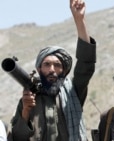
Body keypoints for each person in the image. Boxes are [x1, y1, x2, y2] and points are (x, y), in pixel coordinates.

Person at [7, 0, 96, 140]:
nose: (52, 69)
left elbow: (86, 64)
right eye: (47, 64)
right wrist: (25, 111)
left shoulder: (74, 92)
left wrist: (79, 20)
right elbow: (17, 137)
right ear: (39, 69)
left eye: (57, 65)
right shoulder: (28, 99)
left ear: (64, 71)